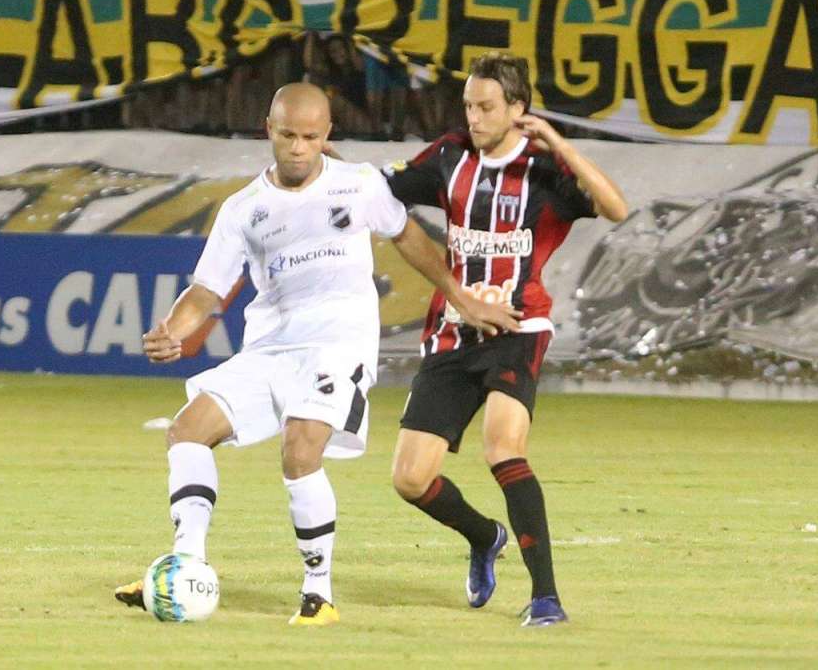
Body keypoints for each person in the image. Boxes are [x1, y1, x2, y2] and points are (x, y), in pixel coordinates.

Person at [113, 82, 517, 625]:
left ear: (327, 135)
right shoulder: (244, 209)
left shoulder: (358, 185)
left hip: (338, 342)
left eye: (309, 136)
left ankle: (318, 594)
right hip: (270, 347)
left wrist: (460, 298)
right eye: (287, 136)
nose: (298, 148)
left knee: (300, 449)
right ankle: (187, 564)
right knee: (187, 431)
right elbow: (208, 291)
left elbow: (408, 237)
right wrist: (172, 329)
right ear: (269, 132)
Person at [381, 52, 628, 626]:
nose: (474, 116)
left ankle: (546, 597)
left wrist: (562, 146)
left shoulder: (545, 172)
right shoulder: (449, 157)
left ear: (519, 109)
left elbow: (616, 207)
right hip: (453, 330)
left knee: (503, 446)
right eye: (469, 104)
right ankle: (483, 536)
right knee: (410, 479)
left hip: (519, 329)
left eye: (487, 106)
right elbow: (386, 191)